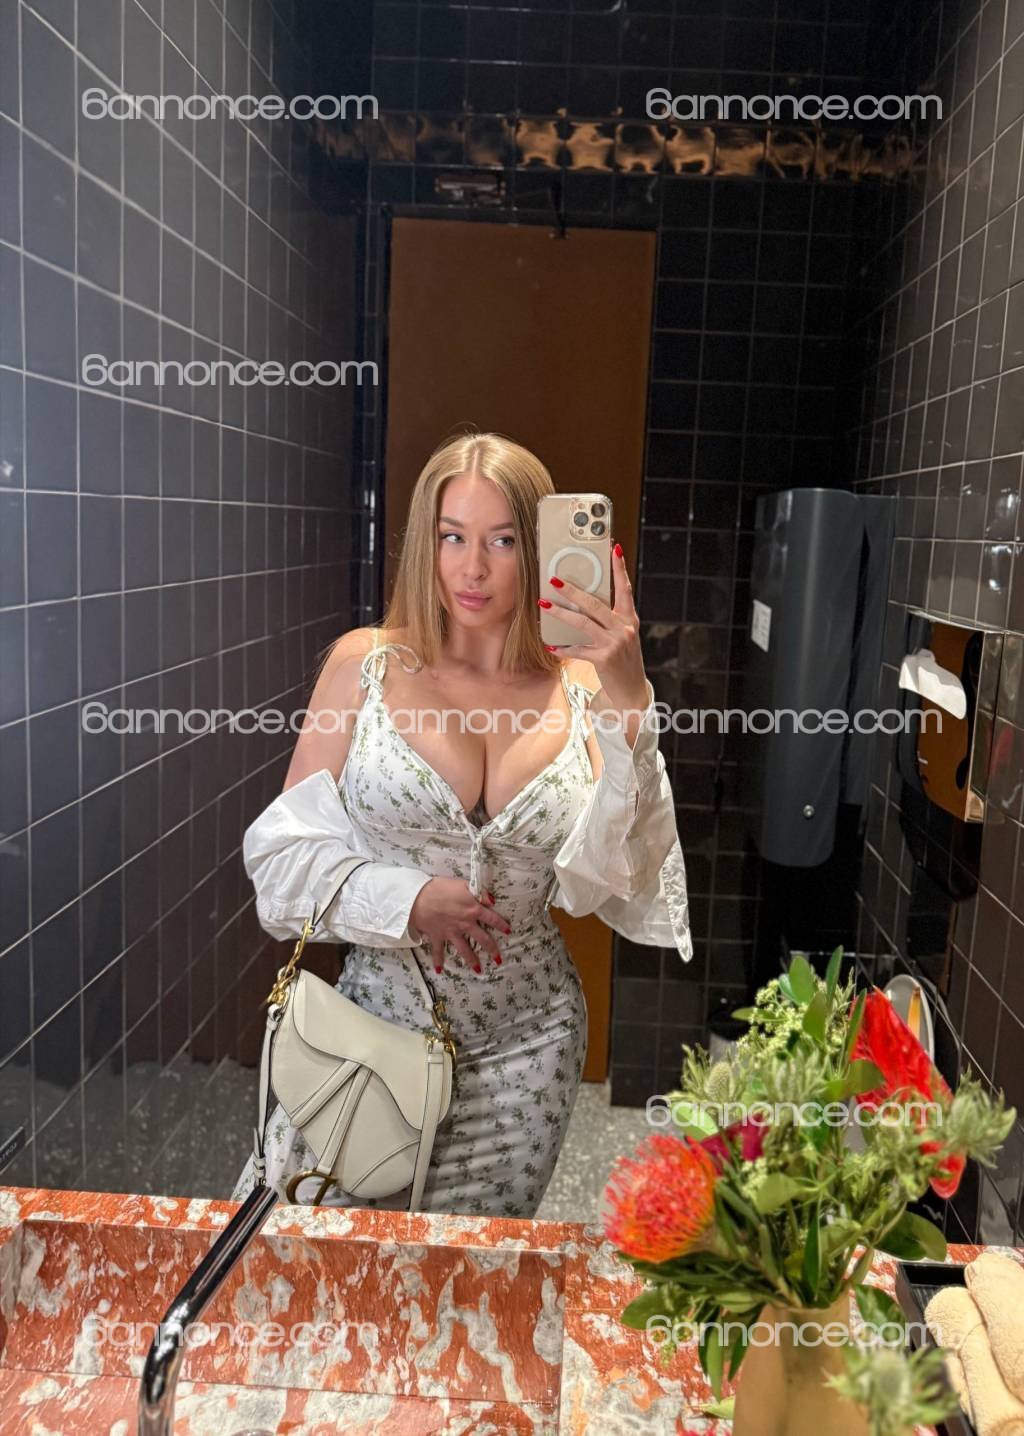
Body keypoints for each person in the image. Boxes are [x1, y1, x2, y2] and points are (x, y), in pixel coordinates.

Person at [231, 432, 692, 1218]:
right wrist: (404, 899)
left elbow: (615, 872)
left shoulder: (584, 688)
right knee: (307, 1251)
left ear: (537, 547)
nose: (472, 568)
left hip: (528, 1049)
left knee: (470, 1273)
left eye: (501, 541)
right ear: (427, 542)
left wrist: (630, 699)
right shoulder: (365, 666)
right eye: (453, 537)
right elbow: (282, 863)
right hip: (372, 1034)